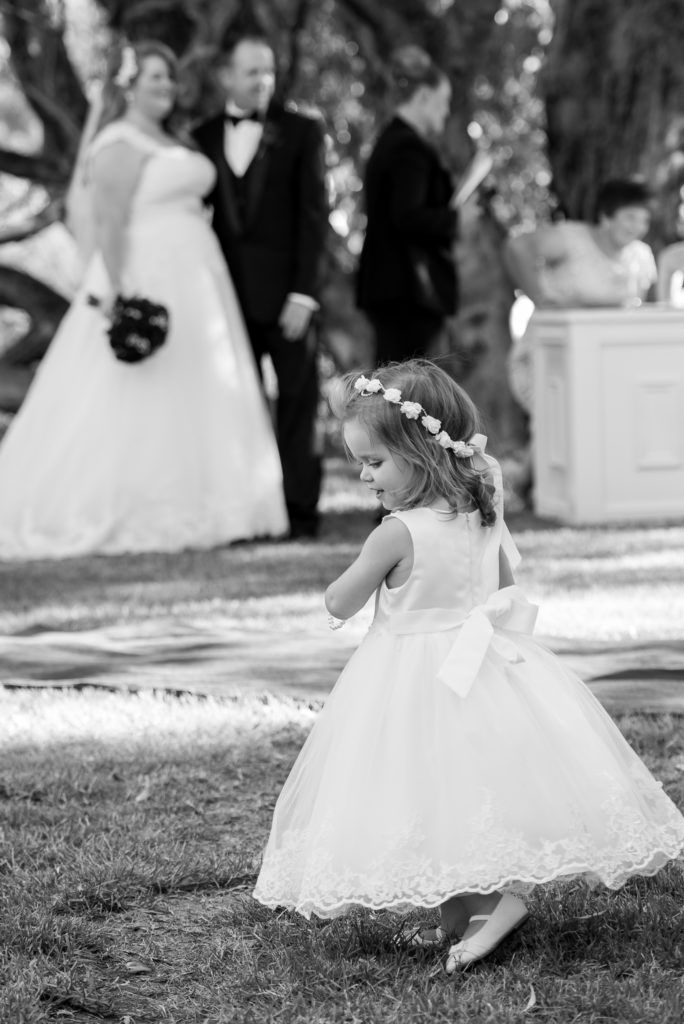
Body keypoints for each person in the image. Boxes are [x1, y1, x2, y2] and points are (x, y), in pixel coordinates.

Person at [253, 359, 684, 972]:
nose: (363, 476)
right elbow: (503, 585)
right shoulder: (481, 510)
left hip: (414, 671)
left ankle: (496, 903)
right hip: (480, 662)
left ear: (421, 453)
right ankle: (459, 916)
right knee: (461, 783)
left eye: (373, 462)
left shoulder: (394, 533)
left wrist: (350, 581)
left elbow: (339, 601)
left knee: (425, 781)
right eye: (359, 463)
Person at [0, 41, 288, 560]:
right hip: (146, 274)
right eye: (154, 77)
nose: (165, 87)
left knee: (196, 386)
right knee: (139, 394)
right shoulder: (116, 142)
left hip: (199, 278)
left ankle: (218, 504)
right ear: (128, 84)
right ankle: (136, 505)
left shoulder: (171, 137)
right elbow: (108, 222)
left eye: (170, 78)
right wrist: (121, 295)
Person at [193, 26, 328, 540]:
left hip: (288, 297)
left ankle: (300, 514)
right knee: (235, 408)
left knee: (297, 403)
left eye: (268, 70)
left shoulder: (303, 132)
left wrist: (303, 294)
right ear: (226, 76)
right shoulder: (202, 137)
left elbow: (315, 218)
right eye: (251, 71)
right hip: (226, 303)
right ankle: (245, 511)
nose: (262, 81)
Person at [504, 179, 657, 411]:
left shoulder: (642, 255)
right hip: (553, 356)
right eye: (630, 217)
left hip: (607, 363)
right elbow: (518, 248)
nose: (638, 227)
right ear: (607, 216)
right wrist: (542, 300)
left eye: (644, 220)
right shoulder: (571, 238)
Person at [356, 46, 458, 365]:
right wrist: (455, 219)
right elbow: (407, 217)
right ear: (424, 97)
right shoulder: (408, 147)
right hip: (407, 292)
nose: (445, 113)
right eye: (443, 104)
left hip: (393, 289)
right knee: (406, 390)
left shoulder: (391, 140)